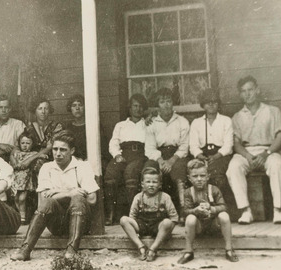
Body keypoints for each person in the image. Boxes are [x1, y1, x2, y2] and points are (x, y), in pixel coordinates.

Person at [10, 130, 99, 261]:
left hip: (80, 223)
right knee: (49, 202)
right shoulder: (47, 167)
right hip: (57, 224)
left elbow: (92, 199)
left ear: (72, 151)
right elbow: (42, 202)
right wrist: (69, 192)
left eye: (63, 150)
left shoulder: (82, 166)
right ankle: (25, 249)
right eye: (55, 149)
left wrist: (57, 193)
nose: (58, 153)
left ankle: (72, 250)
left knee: (78, 199)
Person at [226, 76, 281, 224]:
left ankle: (278, 210)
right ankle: (246, 211)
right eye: (243, 91)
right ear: (240, 94)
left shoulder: (273, 111)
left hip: (269, 151)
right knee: (233, 168)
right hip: (246, 153)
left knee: (278, 166)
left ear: (257, 90)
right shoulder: (237, 117)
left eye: (250, 90)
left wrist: (266, 154)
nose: (247, 94)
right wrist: (247, 156)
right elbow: (235, 143)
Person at [177, 159, 238, 264]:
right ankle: (189, 251)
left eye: (202, 175)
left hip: (214, 225)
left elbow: (224, 207)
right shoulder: (188, 192)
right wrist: (195, 210)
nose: (199, 179)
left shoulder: (214, 189)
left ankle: (229, 249)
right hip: (198, 227)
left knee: (224, 215)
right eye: (195, 176)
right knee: (190, 218)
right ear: (189, 178)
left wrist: (212, 208)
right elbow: (185, 211)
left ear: (208, 176)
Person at [145, 88, 190, 224]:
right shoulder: (152, 123)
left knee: (178, 171)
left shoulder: (182, 121)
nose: (166, 105)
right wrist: (160, 161)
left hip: (177, 155)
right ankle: (151, 211)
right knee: (149, 170)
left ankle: (182, 210)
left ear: (173, 103)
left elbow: (184, 146)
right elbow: (150, 148)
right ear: (157, 104)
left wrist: (171, 161)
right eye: (162, 102)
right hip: (158, 155)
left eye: (169, 101)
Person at [104, 94, 149, 225]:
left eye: (141, 106)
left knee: (131, 173)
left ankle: (132, 214)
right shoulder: (121, 125)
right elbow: (113, 142)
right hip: (123, 154)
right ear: (129, 108)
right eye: (135, 105)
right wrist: (117, 155)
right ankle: (110, 214)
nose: (138, 109)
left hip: (140, 155)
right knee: (110, 175)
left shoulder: (147, 124)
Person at [120, 160, 178, 262]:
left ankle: (153, 249)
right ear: (142, 184)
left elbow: (174, 218)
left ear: (160, 184)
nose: (151, 185)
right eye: (148, 182)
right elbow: (132, 216)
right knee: (124, 220)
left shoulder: (165, 197)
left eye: (155, 182)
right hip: (142, 225)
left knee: (167, 222)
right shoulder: (138, 197)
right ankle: (141, 247)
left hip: (157, 226)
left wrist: (166, 231)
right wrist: (134, 230)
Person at [189, 88, 233, 193]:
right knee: (196, 170)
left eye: (214, 102)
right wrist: (200, 156)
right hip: (203, 156)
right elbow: (193, 146)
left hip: (221, 156)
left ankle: (218, 202)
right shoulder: (197, 122)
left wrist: (216, 156)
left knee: (216, 171)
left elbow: (228, 145)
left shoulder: (226, 121)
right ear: (203, 105)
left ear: (218, 104)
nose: (211, 104)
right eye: (208, 102)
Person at [10, 131, 48, 224]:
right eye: (23, 143)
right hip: (16, 179)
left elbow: (40, 156)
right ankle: (19, 215)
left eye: (28, 143)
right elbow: (13, 163)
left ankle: (22, 218)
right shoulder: (16, 153)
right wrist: (14, 162)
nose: (25, 145)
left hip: (26, 180)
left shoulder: (33, 153)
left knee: (22, 198)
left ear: (32, 144)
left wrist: (41, 155)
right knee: (16, 198)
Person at [64, 94, 109, 163]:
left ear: (85, 107)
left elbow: (103, 148)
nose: (77, 108)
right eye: (74, 105)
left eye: (80, 105)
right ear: (70, 108)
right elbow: (65, 148)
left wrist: (90, 159)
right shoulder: (68, 127)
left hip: (93, 160)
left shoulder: (93, 125)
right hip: (73, 161)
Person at [25, 98, 63, 171]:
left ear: (49, 111)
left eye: (46, 109)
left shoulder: (56, 126)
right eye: (40, 108)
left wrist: (29, 160)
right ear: (35, 111)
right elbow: (18, 145)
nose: (43, 112)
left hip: (52, 161)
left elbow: (49, 148)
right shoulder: (29, 128)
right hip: (32, 163)